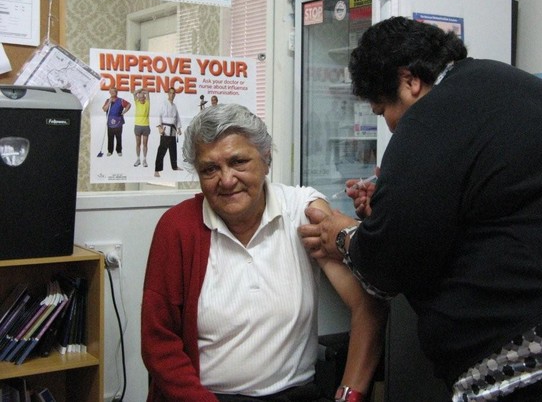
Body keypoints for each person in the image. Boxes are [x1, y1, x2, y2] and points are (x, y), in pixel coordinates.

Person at [298, 16, 542, 402]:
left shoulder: (430, 118)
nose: (389, 125)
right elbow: (478, 198)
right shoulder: (496, 81)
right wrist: (392, 204)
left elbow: (388, 267)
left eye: (382, 110)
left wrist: (343, 234)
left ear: (409, 81)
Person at [141, 103, 387, 402]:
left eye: (239, 162)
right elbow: (159, 344)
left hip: (295, 395)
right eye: (210, 169)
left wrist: (349, 396)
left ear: (266, 160)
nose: (227, 179)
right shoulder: (177, 228)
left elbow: (367, 305)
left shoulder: (301, 211)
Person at [154, 87, 183, 177]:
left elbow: (177, 118)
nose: (172, 95)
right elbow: (158, 115)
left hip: (173, 131)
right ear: (168, 94)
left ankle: (174, 167)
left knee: (173, 150)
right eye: (170, 93)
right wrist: (159, 127)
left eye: (173, 93)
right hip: (165, 130)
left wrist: (179, 128)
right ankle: (157, 170)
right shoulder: (163, 104)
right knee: (162, 150)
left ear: (175, 95)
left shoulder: (174, 106)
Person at [101, 87, 130, 157]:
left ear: (116, 92)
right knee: (110, 137)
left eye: (113, 92)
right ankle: (110, 151)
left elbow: (129, 105)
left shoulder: (121, 100)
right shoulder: (108, 100)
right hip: (110, 122)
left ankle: (119, 150)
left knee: (118, 137)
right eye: (110, 92)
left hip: (119, 122)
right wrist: (109, 102)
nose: (112, 93)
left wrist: (124, 112)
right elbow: (104, 109)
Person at [133, 87, 151, 167]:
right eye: (139, 97)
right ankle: (138, 159)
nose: (141, 98)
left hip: (146, 126)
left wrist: (142, 91)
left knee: (145, 144)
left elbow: (147, 92)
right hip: (137, 126)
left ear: (144, 97)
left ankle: (144, 160)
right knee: (138, 144)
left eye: (142, 97)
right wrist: (140, 90)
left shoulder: (147, 103)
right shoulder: (137, 102)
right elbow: (134, 93)